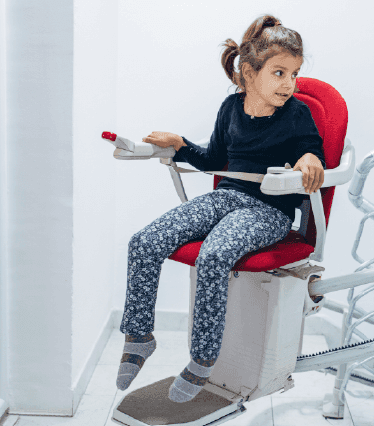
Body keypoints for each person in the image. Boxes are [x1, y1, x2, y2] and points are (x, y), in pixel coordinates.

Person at [116, 14, 326, 403]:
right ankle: (139, 336)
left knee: (215, 255)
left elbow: (312, 148)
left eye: (294, 74)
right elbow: (212, 157)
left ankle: (201, 361)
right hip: (225, 198)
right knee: (144, 241)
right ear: (249, 72)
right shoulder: (230, 108)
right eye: (279, 73)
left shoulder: (297, 113)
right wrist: (179, 143)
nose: (289, 84)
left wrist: (310, 158)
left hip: (268, 211)